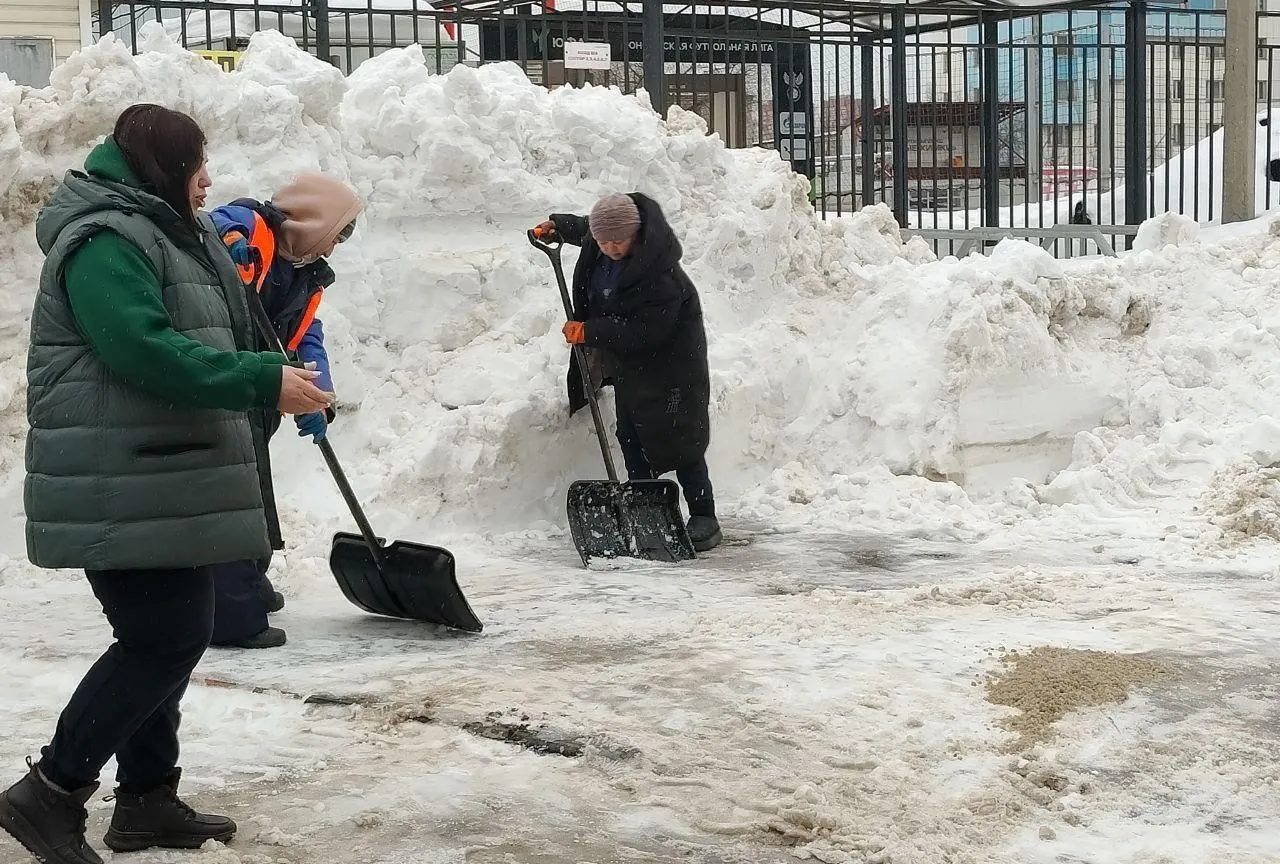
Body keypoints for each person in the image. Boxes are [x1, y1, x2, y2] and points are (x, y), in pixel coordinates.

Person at [0, 104, 333, 864]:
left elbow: (233, 326)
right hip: (124, 478)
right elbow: (143, 350)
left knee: (169, 635)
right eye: (194, 164)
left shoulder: (173, 229)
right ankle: (50, 792)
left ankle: (148, 799)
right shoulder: (105, 241)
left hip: (166, 472)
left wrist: (288, 372)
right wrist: (257, 381)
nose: (206, 177)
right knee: (163, 636)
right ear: (160, 169)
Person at [207, 173, 363, 650]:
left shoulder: (304, 270)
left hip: (261, 388)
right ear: (311, 221)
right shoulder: (254, 228)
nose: (335, 248)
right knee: (232, 495)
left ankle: (249, 580)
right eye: (337, 234)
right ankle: (230, 609)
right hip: (225, 380)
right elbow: (217, 223)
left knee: (255, 488)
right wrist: (229, 243)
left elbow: (304, 333)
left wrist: (318, 392)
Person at [535, 192, 721, 552]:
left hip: (672, 367)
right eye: (603, 241)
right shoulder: (602, 241)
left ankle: (704, 515)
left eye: (617, 240)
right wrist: (559, 226)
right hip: (630, 366)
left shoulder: (663, 276)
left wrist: (591, 331)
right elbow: (588, 230)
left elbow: (646, 331)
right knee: (631, 436)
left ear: (636, 233)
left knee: (680, 438)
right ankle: (647, 511)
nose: (610, 247)